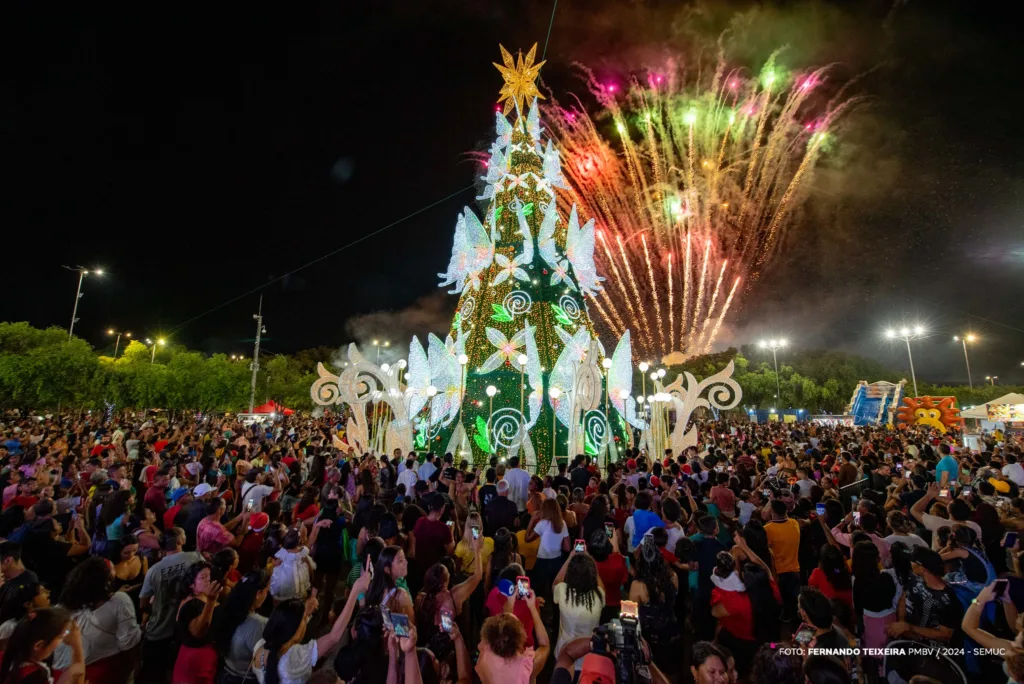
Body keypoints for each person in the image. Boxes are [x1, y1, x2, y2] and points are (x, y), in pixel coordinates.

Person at [253, 569, 368, 684]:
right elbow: (333, 637)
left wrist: (306, 613)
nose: (307, 620)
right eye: (304, 619)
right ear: (294, 631)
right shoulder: (294, 659)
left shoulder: (260, 645)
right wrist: (354, 593)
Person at [57, 556, 142, 681]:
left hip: (63, 674)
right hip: (101, 671)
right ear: (106, 580)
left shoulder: (62, 606)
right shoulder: (119, 601)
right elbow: (128, 644)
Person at [139, 528, 203, 683]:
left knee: (155, 671)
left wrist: (152, 609)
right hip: (187, 624)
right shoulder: (195, 557)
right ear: (180, 541)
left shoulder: (154, 570)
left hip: (161, 627)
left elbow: (143, 603)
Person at [887, 546, 964, 645]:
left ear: (922, 568)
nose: (910, 564)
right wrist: (902, 625)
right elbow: (904, 597)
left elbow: (945, 634)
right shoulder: (914, 576)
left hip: (930, 650)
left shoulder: (949, 600)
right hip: (907, 638)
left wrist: (910, 627)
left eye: (913, 561)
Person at [475, 596, 550, 684]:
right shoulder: (527, 666)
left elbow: (502, 633)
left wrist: (510, 604)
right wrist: (532, 607)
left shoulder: (484, 655)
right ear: (519, 637)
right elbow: (545, 646)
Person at [0, 607, 85, 684]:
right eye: (61, 636)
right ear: (39, 645)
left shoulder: (5, 656)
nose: (63, 639)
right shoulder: (36, 677)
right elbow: (78, 673)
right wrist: (77, 650)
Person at [171, 561, 223, 684]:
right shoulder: (191, 604)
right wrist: (211, 601)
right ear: (191, 584)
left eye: (208, 577)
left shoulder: (205, 597)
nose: (207, 580)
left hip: (206, 657)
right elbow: (198, 632)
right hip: (195, 660)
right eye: (202, 577)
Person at [217, 570, 271, 684]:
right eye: (266, 591)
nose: (267, 595)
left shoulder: (225, 611)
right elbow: (263, 663)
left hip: (223, 675)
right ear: (258, 594)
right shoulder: (259, 624)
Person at [551, 549, 604, 659]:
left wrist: (570, 557)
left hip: (564, 653)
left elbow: (556, 582)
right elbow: (601, 587)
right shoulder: (598, 596)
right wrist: (591, 562)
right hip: (588, 656)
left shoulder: (563, 591)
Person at [764, 499, 802, 623]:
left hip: (778, 572)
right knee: (793, 602)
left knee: (780, 601)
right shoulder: (794, 523)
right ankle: (794, 623)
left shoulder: (767, 529)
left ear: (772, 511)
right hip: (795, 569)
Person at [525, 498, 569, 601]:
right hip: (557, 560)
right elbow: (567, 547)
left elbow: (527, 539)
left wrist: (532, 520)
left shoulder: (542, 524)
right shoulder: (562, 523)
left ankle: (537, 611)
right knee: (556, 592)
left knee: (536, 591)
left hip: (542, 561)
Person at [588, 528, 627, 623]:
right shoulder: (618, 562)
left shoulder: (588, 566)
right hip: (614, 606)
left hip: (594, 606)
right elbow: (624, 580)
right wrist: (615, 542)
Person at [809, 544, 854, 610]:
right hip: (850, 615)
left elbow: (810, 589)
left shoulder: (818, 573)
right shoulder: (848, 569)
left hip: (828, 614)